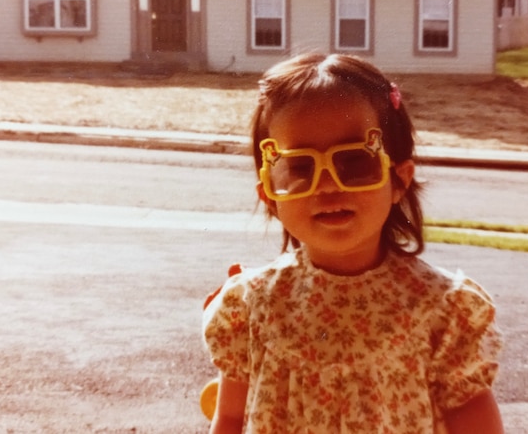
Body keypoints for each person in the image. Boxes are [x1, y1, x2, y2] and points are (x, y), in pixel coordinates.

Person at [202, 53, 503, 433]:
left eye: (355, 163)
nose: (328, 185)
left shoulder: (440, 308)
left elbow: (471, 413)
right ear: (269, 195)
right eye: (299, 168)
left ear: (399, 180)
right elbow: (229, 417)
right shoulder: (252, 304)